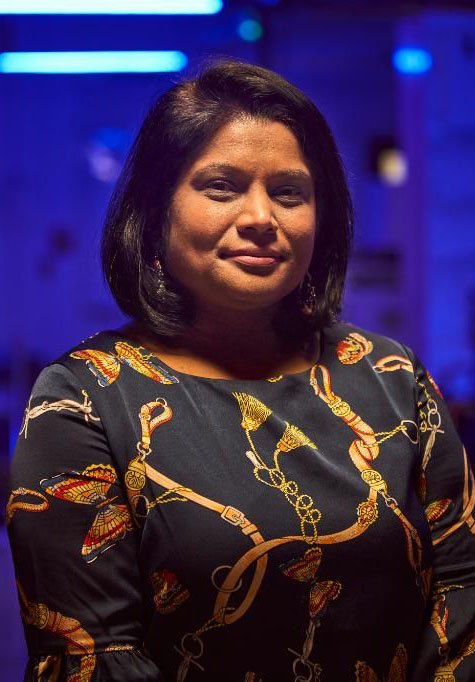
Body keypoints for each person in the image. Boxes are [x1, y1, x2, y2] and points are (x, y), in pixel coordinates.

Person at [7, 59, 475, 682]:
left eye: (289, 193)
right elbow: (94, 658)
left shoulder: (392, 377)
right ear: (154, 215)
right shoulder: (83, 400)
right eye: (221, 188)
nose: (262, 217)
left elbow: (462, 596)